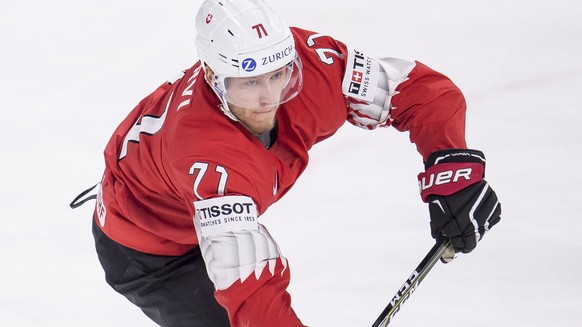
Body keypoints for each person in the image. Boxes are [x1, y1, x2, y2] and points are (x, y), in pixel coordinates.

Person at [81, 0, 502, 326]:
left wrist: (451, 164)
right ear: (213, 77)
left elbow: (417, 92)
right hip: (148, 250)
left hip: (181, 198)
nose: (269, 97)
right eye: (248, 83)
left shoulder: (313, 62)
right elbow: (251, 288)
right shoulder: (206, 154)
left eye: (278, 75)